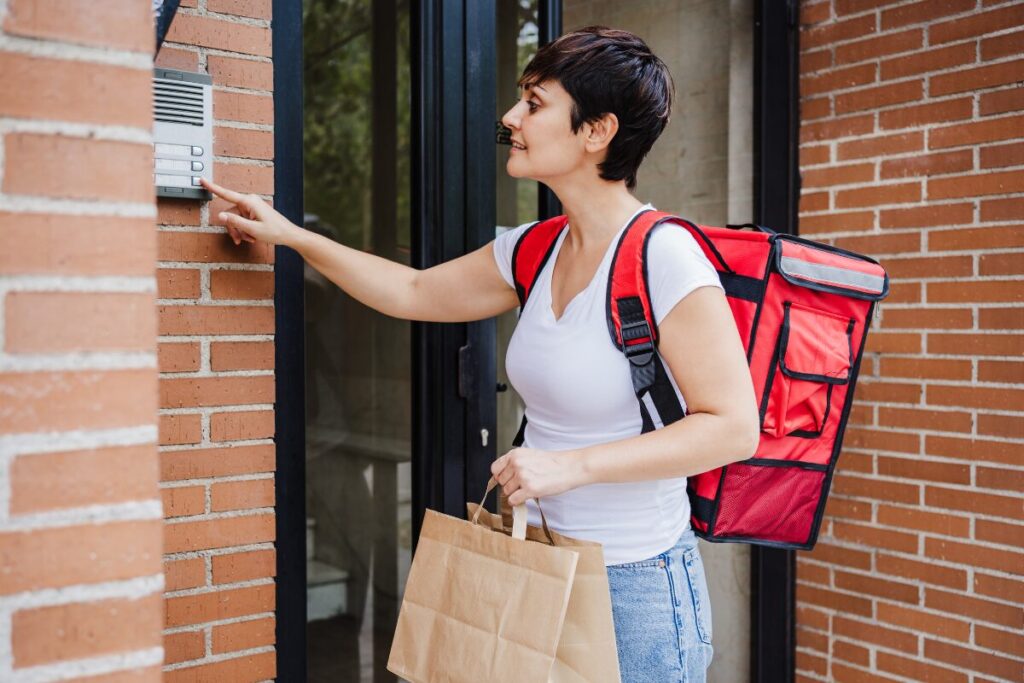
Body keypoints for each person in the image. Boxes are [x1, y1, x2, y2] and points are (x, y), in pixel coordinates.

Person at [202, 25, 758, 683]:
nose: (509, 117)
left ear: (596, 131)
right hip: (540, 567)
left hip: (633, 590)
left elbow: (732, 426)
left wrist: (570, 465)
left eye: (534, 103)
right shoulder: (534, 249)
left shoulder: (665, 256)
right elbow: (411, 289)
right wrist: (290, 235)